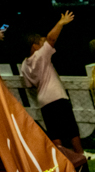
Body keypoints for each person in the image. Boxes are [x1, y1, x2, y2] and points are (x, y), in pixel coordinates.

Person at [21, 11, 82, 152]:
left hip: (43, 100)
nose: (44, 44)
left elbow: (29, 84)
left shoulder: (24, 64)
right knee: (71, 129)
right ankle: (80, 154)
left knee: (54, 132)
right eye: (41, 42)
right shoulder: (41, 55)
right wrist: (61, 23)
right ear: (35, 46)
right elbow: (51, 38)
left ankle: (61, 156)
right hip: (56, 96)